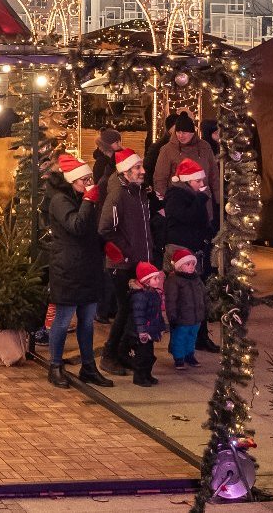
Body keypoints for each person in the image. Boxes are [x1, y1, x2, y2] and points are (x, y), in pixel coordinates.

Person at [42, 154, 113, 389]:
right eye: (83, 179)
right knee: (63, 321)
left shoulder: (82, 196)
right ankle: (55, 366)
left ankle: (88, 367)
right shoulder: (60, 200)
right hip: (69, 268)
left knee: (87, 321)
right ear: (71, 180)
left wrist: (105, 245)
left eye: (89, 178)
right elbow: (77, 226)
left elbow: (90, 230)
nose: (88, 183)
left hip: (88, 267)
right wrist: (88, 201)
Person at [98, 147, 154, 376]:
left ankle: (121, 352)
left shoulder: (138, 193)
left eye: (141, 166)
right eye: (137, 168)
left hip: (138, 262)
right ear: (125, 172)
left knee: (132, 310)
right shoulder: (118, 195)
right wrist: (126, 252)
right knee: (124, 309)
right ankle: (109, 354)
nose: (142, 171)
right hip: (122, 265)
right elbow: (105, 228)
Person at [153, 114, 217, 199]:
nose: (180, 135)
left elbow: (214, 176)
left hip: (203, 202)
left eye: (184, 132)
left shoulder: (204, 147)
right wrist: (166, 202)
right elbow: (160, 179)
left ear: (192, 132)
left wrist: (218, 201)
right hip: (178, 203)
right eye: (178, 132)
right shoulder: (167, 150)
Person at [165, 248, 206, 369]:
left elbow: (203, 294)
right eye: (188, 264)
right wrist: (172, 316)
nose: (191, 266)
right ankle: (179, 357)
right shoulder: (174, 281)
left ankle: (189, 355)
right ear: (179, 266)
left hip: (196, 317)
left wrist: (205, 308)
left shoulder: (196, 279)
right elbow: (171, 300)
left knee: (192, 337)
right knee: (180, 337)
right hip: (182, 317)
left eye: (193, 264)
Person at [129, 262, 167, 387]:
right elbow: (139, 316)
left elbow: (157, 314)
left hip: (150, 331)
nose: (158, 280)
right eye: (155, 278)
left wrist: (161, 327)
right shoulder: (140, 296)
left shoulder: (154, 293)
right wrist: (142, 332)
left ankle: (147, 374)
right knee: (143, 356)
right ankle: (139, 377)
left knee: (149, 356)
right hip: (143, 333)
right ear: (146, 281)